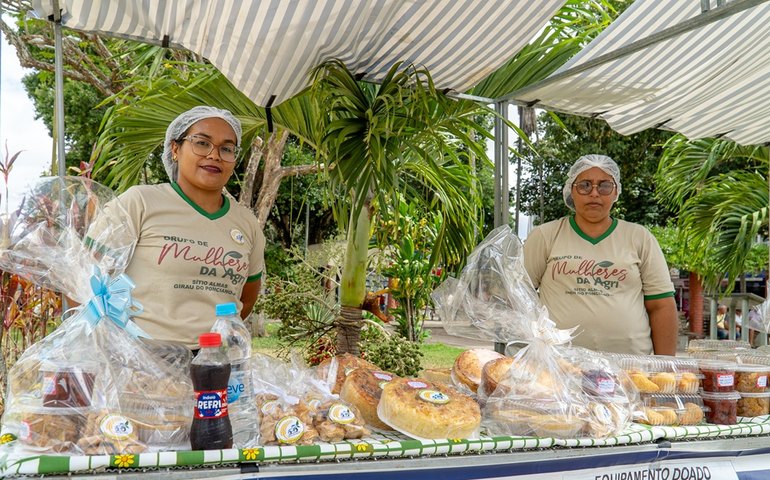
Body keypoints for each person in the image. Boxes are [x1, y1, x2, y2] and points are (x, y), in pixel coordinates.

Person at [93, 106, 265, 349]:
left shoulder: (246, 223)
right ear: (175, 149)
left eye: (226, 149)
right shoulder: (139, 202)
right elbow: (82, 279)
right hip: (142, 360)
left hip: (219, 360)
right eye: (202, 143)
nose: (214, 155)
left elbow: (246, 299)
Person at [523, 154, 678, 356]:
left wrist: (665, 368)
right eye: (585, 185)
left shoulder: (639, 238)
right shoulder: (545, 236)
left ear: (616, 193)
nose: (594, 193)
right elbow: (518, 297)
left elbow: (661, 305)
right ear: (572, 190)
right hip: (559, 364)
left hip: (629, 366)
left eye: (604, 186)